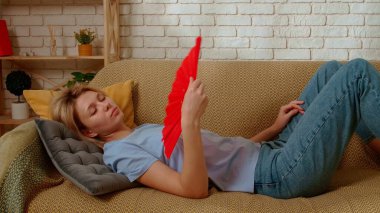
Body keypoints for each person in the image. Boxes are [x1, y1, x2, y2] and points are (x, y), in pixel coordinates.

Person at [52, 58, 380, 199]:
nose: (104, 104)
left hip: (271, 151)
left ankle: (375, 144)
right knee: (358, 74)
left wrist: (272, 128)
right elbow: (193, 188)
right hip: (280, 174)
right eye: (93, 111)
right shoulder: (120, 153)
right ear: (90, 132)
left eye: (99, 97)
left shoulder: (142, 130)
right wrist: (190, 122)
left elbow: (223, 161)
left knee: (333, 70)